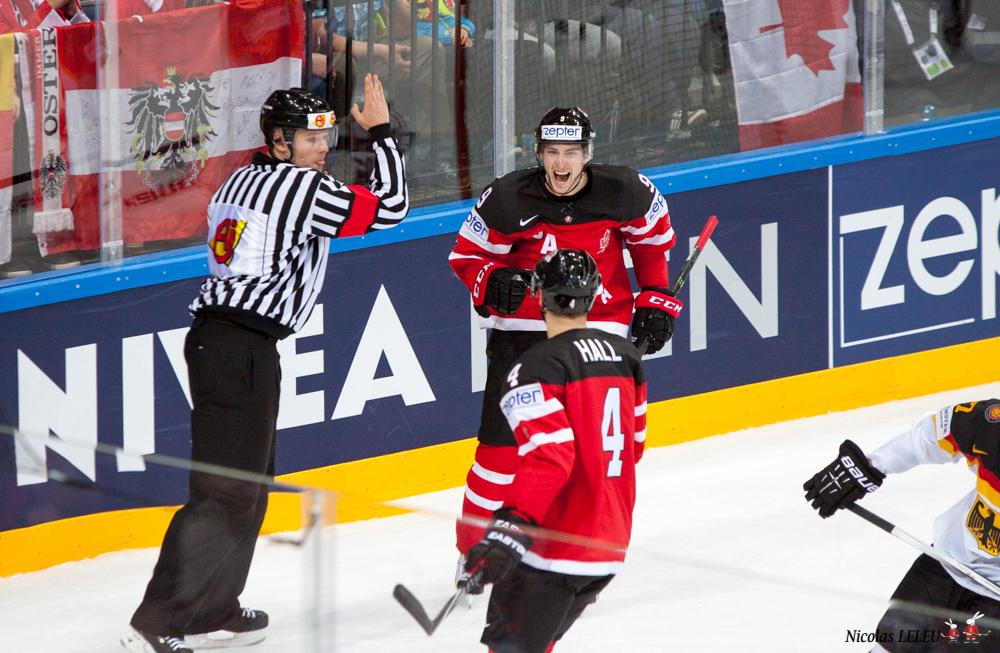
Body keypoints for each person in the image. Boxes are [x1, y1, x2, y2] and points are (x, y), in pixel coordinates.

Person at [120, 74, 407, 653]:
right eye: (311, 139)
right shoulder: (301, 188)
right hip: (236, 348)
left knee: (247, 489)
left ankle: (213, 605)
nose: (322, 149)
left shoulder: (242, 177)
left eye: (326, 137)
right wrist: (382, 134)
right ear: (279, 141)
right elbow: (392, 208)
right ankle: (160, 618)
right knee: (225, 493)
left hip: (233, 347)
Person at [447, 105, 680, 578]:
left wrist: (656, 298)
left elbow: (652, 243)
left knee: (594, 452)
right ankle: (472, 552)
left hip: (599, 330)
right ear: (538, 153)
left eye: (571, 152)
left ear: (588, 153)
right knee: (499, 453)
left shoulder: (627, 191)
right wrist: (492, 281)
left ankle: (573, 548)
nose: (561, 163)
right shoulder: (507, 199)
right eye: (552, 152)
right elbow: (467, 257)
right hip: (524, 335)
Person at [462, 248, 647, 653]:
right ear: (594, 295)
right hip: (609, 546)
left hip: (555, 547)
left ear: (538, 294)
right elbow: (633, 448)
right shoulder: (627, 358)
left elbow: (550, 459)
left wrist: (511, 528)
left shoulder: (533, 368)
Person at [804, 400, 1000, 652]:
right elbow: (934, 434)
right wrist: (870, 467)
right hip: (948, 561)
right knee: (891, 644)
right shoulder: (991, 425)